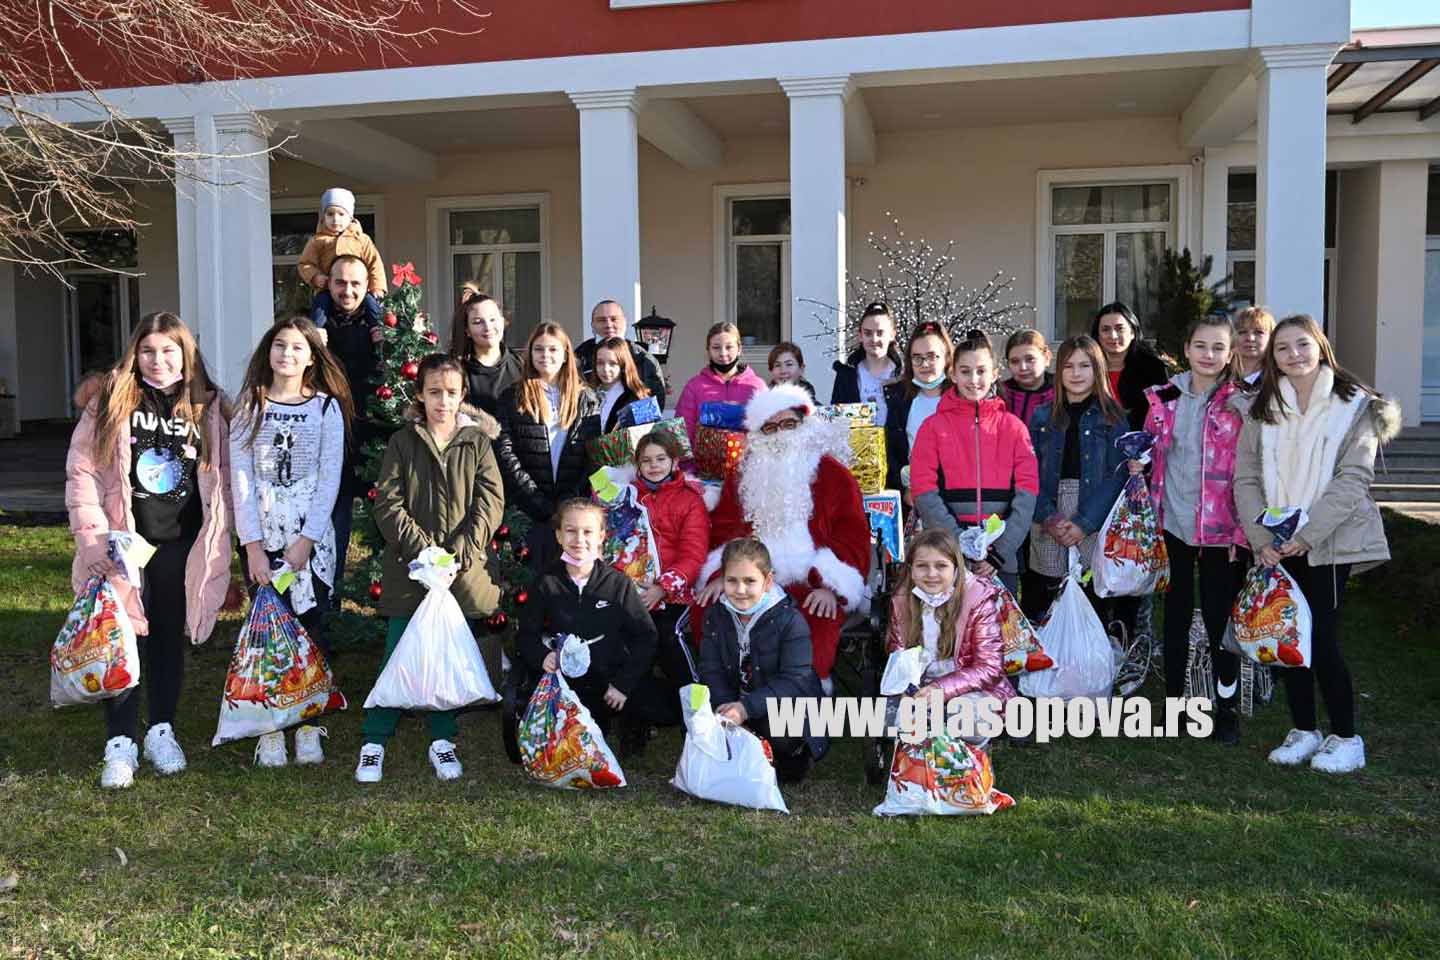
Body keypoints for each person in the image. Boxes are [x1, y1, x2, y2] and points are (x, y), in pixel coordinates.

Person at [66, 312, 234, 790]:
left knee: (165, 637)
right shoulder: (111, 401)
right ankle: (120, 741)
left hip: (182, 544)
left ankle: (161, 728)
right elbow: (82, 475)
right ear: (134, 355)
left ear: (186, 355)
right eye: (148, 351)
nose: (158, 361)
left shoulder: (207, 406)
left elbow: (221, 479)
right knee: (122, 642)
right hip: (123, 545)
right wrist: (94, 538)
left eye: (168, 351)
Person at [1234, 314, 1398, 774]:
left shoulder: (1355, 406)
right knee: (1287, 638)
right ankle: (1304, 730)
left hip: (1329, 543)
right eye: (1283, 348)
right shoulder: (1261, 408)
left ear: (1320, 346)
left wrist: (1305, 536)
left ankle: (1347, 737)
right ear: (1273, 358)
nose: (1293, 355)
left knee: (1322, 640)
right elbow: (1245, 477)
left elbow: (1354, 479)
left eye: (1302, 345)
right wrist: (1263, 539)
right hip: (1276, 547)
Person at [356, 354, 506, 784]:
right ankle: (374, 739)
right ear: (420, 394)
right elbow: (388, 501)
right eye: (434, 392)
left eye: (452, 393)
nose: (443, 401)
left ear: (463, 396)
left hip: (459, 571)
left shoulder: (477, 443)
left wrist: (459, 553)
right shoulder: (403, 442)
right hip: (411, 568)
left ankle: (443, 739)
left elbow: (490, 501)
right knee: (398, 655)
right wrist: (423, 552)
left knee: (444, 655)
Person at [230, 317, 353, 768]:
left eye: (297, 348)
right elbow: (240, 479)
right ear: (268, 352)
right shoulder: (249, 405)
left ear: (311, 357)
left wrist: (306, 542)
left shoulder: (326, 409)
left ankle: (305, 721)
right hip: (264, 531)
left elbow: (329, 479)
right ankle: (270, 726)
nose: (287, 355)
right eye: (279, 346)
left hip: (309, 536)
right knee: (266, 631)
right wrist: (253, 546)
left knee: (310, 629)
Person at [695, 384, 871, 690]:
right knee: (710, 611)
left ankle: (801, 709)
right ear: (758, 436)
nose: (780, 435)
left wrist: (831, 585)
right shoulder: (744, 476)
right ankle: (731, 698)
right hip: (754, 579)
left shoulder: (834, 475)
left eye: (789, 424)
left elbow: (852, 536)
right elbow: (724, 531)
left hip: (810, 582)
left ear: (805, 425)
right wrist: (722, 575)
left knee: (815, 619)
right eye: (771, 427)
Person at [1140, 314, 1253, 745]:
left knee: (1222, 618)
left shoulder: (1241, 401)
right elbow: (1150, 452)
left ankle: (1225, 707)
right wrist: (1140, 464)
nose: (1209, 355)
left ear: (1230, 354)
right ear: (1186, 348)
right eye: (1201, 346)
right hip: (1173, 525)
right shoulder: (1162, 396)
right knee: (1177, 618)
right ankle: (1174, 705)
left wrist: (1244, 534)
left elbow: (1252, 469)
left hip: (1223, 533)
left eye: (1218, 347)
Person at [516, 498, 658, 757]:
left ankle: (634, 727)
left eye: (588, 531)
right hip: (567, 679)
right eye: (570, 530)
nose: (579, 539)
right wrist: (542, 656)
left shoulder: (618, 584)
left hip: (608, 680)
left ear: (602, 536)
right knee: (570, 744)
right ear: (559, 535)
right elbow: (526, 634)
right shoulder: (546, 582)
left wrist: (623, 685)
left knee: (650, 700)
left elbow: (646, 637)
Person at [910, 331, 1039, 595]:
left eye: (981, 371)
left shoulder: (1014, 428)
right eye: (965, 371)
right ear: (953, 374)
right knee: (953, 633)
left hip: (1001, 560)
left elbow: (1027, 495)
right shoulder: (932, 428)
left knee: (999, 634)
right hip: (949, 557)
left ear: (994, 373)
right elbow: (924, 490)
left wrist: (1000, 551)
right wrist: (958, 543)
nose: (974, 380)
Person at [698, 537, 826, 783]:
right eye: (732, 581)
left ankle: (795, 757)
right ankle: (745, 750)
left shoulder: (790, 621)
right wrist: (726, 708)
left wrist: (746, 708)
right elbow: (710, 668)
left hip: (787, 706)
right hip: (738, 703)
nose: (740, 590)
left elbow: (795, 681)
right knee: (699, 726)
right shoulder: (716, 616)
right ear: (722, 580)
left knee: (780, 732)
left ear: (767, 582)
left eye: (750, 581)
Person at [1023, 336, 1129, 619]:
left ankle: (1089, 662)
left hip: (1093, 515)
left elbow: (1117, 476)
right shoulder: (1042, 416)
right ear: (1059, 372)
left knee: (1089, 597)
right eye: (1068, 366)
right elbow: (1028, 471)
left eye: (1085, 365)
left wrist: (1084, 523)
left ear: (1098, 370)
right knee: (1045, 599)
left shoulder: (1113, 417)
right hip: (1049, 514)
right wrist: (1050, 517)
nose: (1076, 373)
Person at [886, 529, 1013, 743]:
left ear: (956, 569)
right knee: (891, 720)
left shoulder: (977, 599)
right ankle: (919, 757)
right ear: (911, 569)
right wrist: (907, 688)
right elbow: (898, 655)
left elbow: (990, 667)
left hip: (973, 690)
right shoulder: (902, 601)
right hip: (922, 689)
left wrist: (939, 689)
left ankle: (968, 758)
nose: (931, 574)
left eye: (941, 566)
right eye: (922, 566)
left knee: (965, 717)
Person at [494, 322, 601, 570]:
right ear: (530, 355)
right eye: (539, 349)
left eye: (553, 349)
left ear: (565, 354)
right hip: (527, 509)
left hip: (572, 510)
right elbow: (505, 453)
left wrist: (568, 501)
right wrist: (537, 501)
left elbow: (593, 456)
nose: (546, 356)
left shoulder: (585, 398)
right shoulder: (512, 397)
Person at [315, 255, 386, 605]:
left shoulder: (382, 327)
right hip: (334, 440)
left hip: (376, 438)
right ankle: (330, 605)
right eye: (340, 282)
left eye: (356, 283)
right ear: (328, 283)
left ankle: (388, 606)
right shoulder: (314, 330)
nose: (348, 290)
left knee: (385, 529)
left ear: (367, 286)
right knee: (334, 529)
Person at [627, 431, 710, 729]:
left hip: (677, 591)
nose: (654, 466)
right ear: (637, 465)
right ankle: (634, 714)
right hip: (634, 589)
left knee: (668, 634)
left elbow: (694, 553)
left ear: (674, 461)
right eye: (646, 460)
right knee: (626, 637)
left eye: (661, 459)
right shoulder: (628, 497)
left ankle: (698, 709)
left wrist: (663, 587)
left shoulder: (690, 500)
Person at [884, 320, 952, 501]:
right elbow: (892, 451)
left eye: (932, 356)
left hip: (954, 494)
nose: (924, 364)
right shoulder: (900, 399)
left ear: (946, 358)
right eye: (917, 358)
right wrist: (903, 487)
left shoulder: (959, 397)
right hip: (915, 495)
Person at [297, 188, 385, 328]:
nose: (335, 219)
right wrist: (315, 277)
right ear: (323, 216)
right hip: (327, 288)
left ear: (350, 217)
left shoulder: (361, 239)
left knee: (371, 305)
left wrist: (377, 287)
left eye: (341, 214)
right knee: (320, 306)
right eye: (330, 214)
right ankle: (315, 335)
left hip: (358, 290)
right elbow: (305, 263)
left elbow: (374, 263)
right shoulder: (318, 240)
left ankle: (380, 332)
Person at [674, 322, 767, 446]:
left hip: (748, 464)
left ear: (739, 349)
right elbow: (682, 434)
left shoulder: (757, 386)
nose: (723, 353)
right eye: (716, 347)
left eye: (729, 347)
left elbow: (767, 430)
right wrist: (688, 465)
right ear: (708, 351)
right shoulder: (694, 387)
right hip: (703, 465)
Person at [1091, 302, 1170, 429]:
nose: (1113, 335)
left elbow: (1164, 416)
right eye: (1106, 329)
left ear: (1133, 332)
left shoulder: (1153, 369)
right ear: (1098, 335)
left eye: (1119, 328)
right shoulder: (1088, 367)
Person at [574, 300, 667, 407]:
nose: (608, 325)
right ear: (592, 325)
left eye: (614, 319)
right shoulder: (579, 357)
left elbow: (656, 400)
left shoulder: (643, 358)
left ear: (625, 322)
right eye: (601, 320)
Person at [449, 290, 524, 419]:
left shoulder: (522, 365)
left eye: (493, 319)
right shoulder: (456, 370)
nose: (488, 327)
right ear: (467, 330)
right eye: (478, 322)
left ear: (502, 321)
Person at [831, 301, 903, 424]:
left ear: (892, 335)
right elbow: (836, 420)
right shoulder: (846, 376)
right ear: (860, 336)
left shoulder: (903, 375)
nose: (874, 339)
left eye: (880, 333)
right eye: (868, 333)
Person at [589, 335, 653, 434]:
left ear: (623, 366)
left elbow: (645, 437)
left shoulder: (637, 399)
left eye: (613, 363)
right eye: (600, 363)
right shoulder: (588, 395)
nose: (606, 369)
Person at [1000, 329, 1054, 429]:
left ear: (1046, 357)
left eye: (1030, 359)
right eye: (1015, 361)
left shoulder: (1061, 394)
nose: (1023, 367)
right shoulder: (1000, 396)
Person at [1233, 306, 1275, 384]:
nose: (1250, 338)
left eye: (1258, 332)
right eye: (1242, 332)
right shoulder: (1220, 375)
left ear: (1272, 337)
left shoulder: (1279, 378)